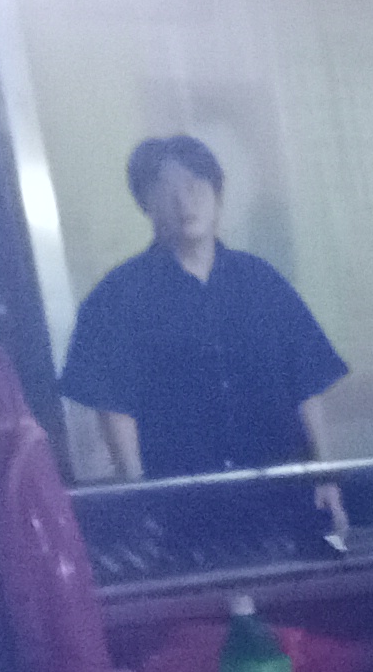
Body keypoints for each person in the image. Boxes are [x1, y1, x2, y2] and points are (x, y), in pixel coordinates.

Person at [55, 137, 348, 484]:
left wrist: (325, 475)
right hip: (180, 498)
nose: (184, 202)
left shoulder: (262, 282)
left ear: (217, 194)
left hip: (280, 488)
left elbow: (306, 385)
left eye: (194, 187)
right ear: (146, 203)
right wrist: (140, 492)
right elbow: (114, 408)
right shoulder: (117, 297)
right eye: (166, 191)